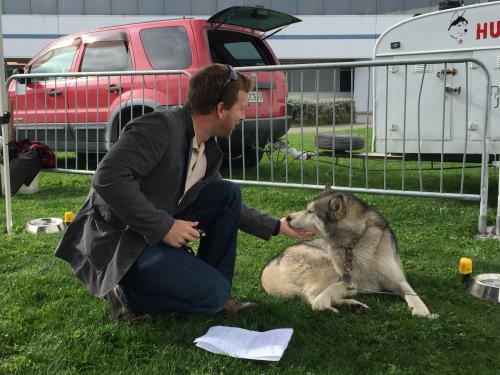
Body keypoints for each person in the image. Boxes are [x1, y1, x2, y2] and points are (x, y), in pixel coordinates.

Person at [55, 64, 313, 323]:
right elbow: (108, 178)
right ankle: (126, 293)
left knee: (227, 194)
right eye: (241, 109)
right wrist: (165, 226)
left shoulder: (207, 148)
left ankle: (217, 296)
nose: (243, 117)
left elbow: (228, 205)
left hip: (152, 231)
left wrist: (276, 226)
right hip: (123, 241)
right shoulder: (158, 127)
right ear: (221, 109)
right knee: (211, 294)